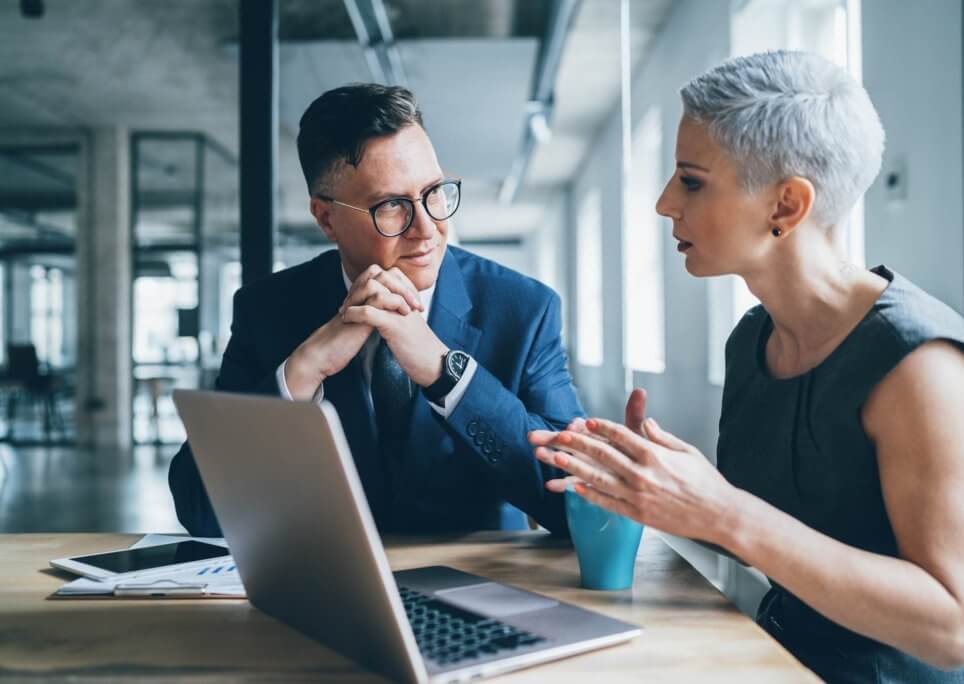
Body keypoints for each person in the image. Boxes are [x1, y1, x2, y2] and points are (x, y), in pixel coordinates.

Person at [530, 51, 964, 682]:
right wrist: (655, 486)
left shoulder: (918, 366)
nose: (663, 204)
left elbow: (953, 626)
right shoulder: (752, 340)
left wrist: (721, 510)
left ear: (786, 206)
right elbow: (774, 536)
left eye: (691, 180)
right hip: (772, 659)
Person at [171, 84, 582, 537]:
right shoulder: (267, 310)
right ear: (326, 219)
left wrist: (449, 375)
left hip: (481, 585)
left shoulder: (524, 310)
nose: (428, 229)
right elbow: (199, 509)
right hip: (329, 589)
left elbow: (575, 501)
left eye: (434, 192)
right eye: (392, 206)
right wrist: (303, 371)